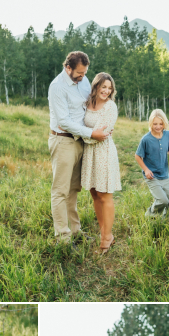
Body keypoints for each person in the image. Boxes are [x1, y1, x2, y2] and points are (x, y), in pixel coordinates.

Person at [48, 51, 107, 244]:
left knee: (74, 188)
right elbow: (64, 122)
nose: (83, 77)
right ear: (68, 68)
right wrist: (91, 134)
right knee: (60, 190)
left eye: (85, 73)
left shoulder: (82, 79)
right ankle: (62, 237)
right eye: (79, 73)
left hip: (80, 141)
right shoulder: (57, 87)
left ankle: (75, 231)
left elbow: (88, 104)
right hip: (63, 140)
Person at [80, 72, 122, 253]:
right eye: (103, 87)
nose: (106, 91)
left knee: (105, 195)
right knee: (94, 194)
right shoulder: (86, 104)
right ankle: (104, 232)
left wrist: (80, 133)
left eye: (109, 88)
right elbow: (87, 130)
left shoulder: (110, 107)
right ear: (96, 86)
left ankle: (106, 237)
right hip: (89, 154)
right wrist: (86, 133)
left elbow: (101, 135)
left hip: (104, 152)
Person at [135, 110, 169, 222]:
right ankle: (150, 214)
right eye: (155, 124)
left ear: (164, 123)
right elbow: (137, 156)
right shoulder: (146, 139)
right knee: (163, 200)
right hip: (152, 176)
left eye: (161, 123)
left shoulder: (168, 135)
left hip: (164, 175)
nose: (158, 126)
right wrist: (146, 170)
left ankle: (166, 222)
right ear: (150, 124)